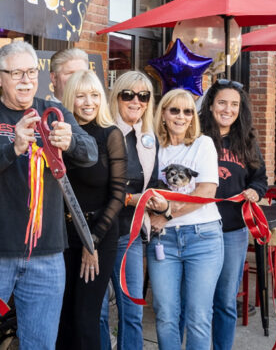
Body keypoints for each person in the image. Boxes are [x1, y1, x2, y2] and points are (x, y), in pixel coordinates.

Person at [0, 41, 97, 350]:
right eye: (16, 73)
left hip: (45, 254)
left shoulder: (53, 112)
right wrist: (12, 148)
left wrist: (71, 142)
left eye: (31, 72)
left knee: (41, 344)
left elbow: (91, 154)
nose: (26, 80)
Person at [56, 70, 126, 349]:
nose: (89, 102)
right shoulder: (60, 135)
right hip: (61, 236)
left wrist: (91, 241)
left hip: (99, 234)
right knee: (62, 316)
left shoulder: (111, 135)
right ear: (70, 99)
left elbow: (118, 195)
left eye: (95, 95)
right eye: (81, 95)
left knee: (86, 318)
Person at [149, 89, 223, 350]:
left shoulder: (203, 144)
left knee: (198, 316)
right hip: (163, 242)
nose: (182, 116)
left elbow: (205, 192)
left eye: (188, 111)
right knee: (166, 314)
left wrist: (167, 213)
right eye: (175, 110)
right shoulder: (152, 146)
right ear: (163, 114)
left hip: (202, 237)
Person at [200, 80, 267, 350]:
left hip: (233, 231)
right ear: (211, 105)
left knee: (225, 301)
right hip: (200, 230)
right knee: (198, 302)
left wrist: (254, 191)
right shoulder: (197, 137)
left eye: (234, 105)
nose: (228, 109)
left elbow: (260, 179)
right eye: (222, 103)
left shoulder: (246, 141)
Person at [101, 71, 159, 350]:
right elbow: (97, 184)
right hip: (98, 234)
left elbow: (155, 183)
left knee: (132, 311)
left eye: (143, 96)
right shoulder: (104, 132)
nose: (136, 101)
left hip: (130, 235)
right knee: (99, 313)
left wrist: (159, 202)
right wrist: (130, 199)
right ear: (116, 97)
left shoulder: (148, 139)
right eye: (129, 95)